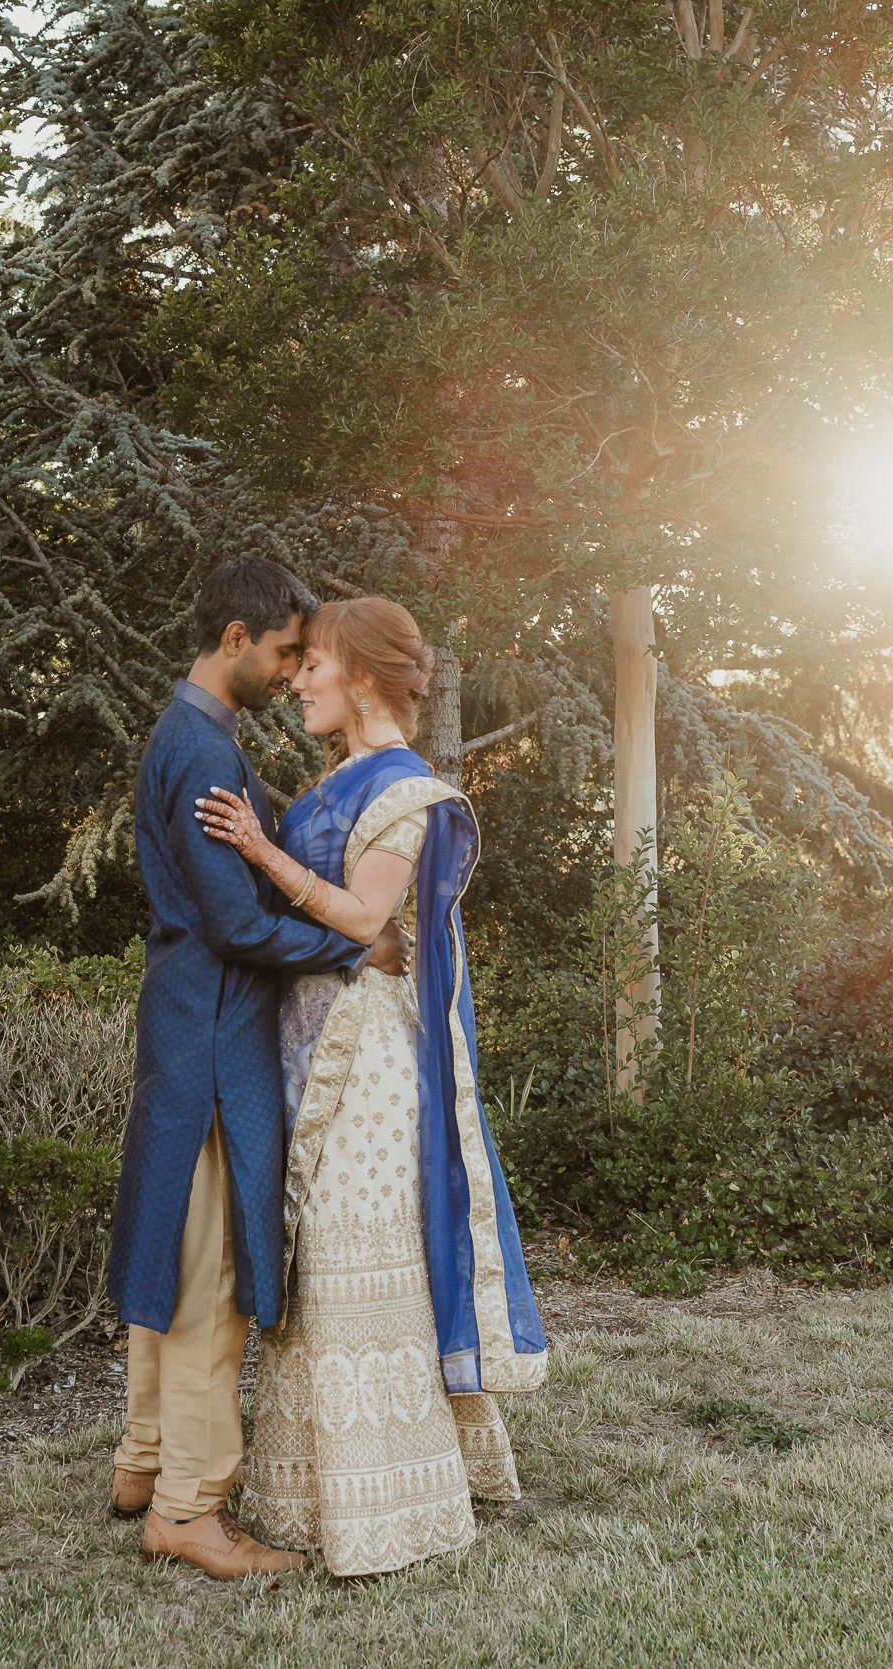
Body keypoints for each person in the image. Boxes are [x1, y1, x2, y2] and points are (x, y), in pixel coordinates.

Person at [193, 595, 549, 1578]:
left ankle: (393, 1501)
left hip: (373, 1062)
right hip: (307, 1043)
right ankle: (310, 1494)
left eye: (313, 664)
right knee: (318, 1269)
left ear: (360, 671)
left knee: (359, 1267)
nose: (297, 679)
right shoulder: (337, 781)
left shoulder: (414, 795)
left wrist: (261, 851)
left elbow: (364, 918)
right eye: (297, 664)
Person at [108, 558, 407, 1580]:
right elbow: (233, 921)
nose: (291, 673)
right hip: (212, 1033)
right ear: (233, 639)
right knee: (208, 1277)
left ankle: (145, 1462)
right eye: (283, 651)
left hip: (190, 1021)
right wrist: (349, 947)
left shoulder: (203, 736)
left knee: (171, 1249)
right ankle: (190, 1510)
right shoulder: (199, 749)